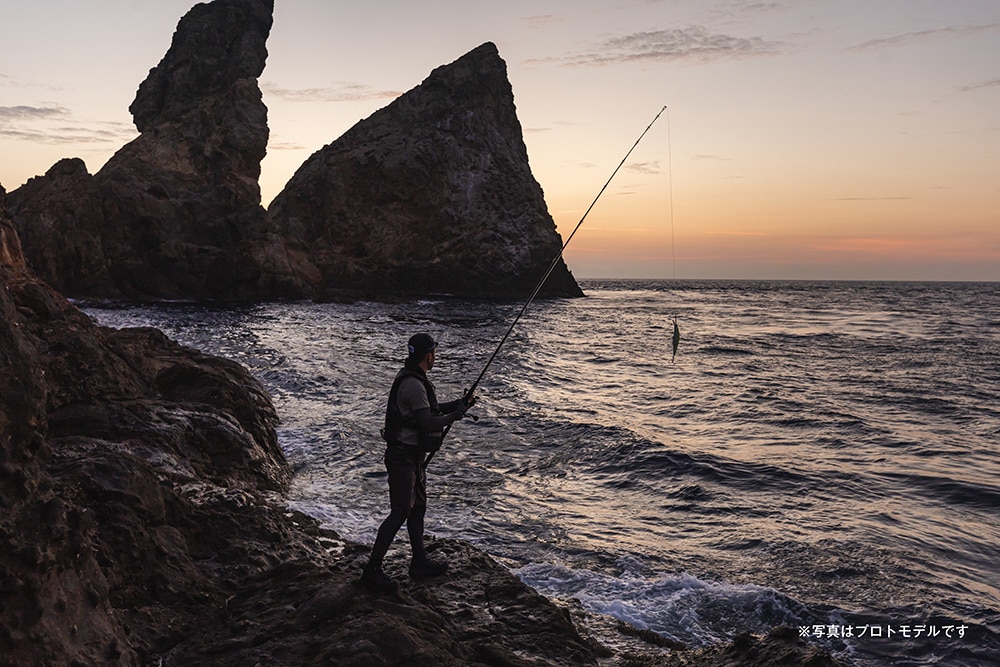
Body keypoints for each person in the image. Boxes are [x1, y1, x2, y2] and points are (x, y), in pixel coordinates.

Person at [360, 333, 474, 592]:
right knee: (400, 511)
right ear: (428, 355)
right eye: (434, 352)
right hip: (403, 458)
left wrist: (459, 404)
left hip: (412, 457)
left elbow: (429, 411)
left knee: (418, 508)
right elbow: (427, 422)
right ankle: (372, 570)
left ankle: (419, 561)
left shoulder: (414, 379)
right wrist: (455, 416)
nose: (435, 356)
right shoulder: (412, 384)